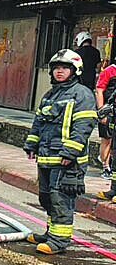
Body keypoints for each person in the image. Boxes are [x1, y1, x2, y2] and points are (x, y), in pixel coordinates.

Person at [24, 50, 97, 254]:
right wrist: (31, 144)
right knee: (46, 197)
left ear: (75, 71)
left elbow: (83, 127)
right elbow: (39, 122)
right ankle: (51, 232)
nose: (59, 71)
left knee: (60, 199)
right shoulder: (49, 95)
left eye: (64, 68)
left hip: (67, 161)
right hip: (47, 157)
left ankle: (59, 240)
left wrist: (69, 153)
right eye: (56, 68)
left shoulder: (83, 94)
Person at [95, 56, 116, 182]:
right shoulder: (109, 71)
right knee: (106, 140)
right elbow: (99, 90)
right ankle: (106, 167)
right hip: (108, 111)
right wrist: (101, 110)